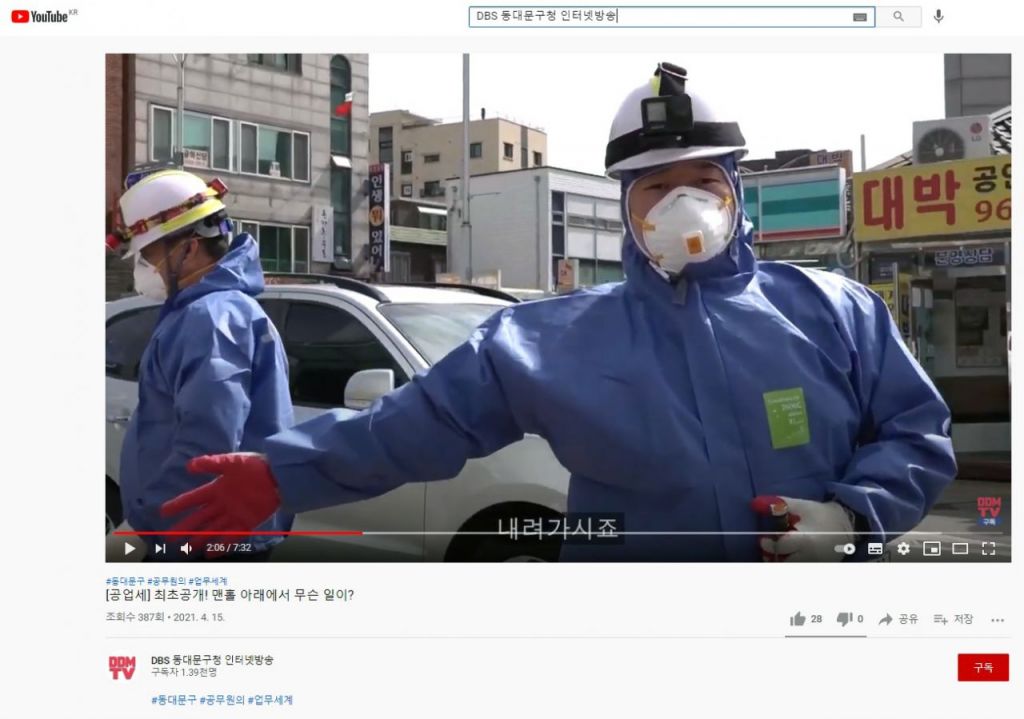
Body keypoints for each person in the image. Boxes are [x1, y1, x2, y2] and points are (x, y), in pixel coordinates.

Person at [161, 63, 956, 562]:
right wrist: (283, 471)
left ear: (734, 191)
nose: (681, 202)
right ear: (627, 205)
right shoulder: (546, 341)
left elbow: (918, 434)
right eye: (656, 185)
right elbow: (416, 423)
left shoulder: (834, 309)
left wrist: (853, 519)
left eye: (702, 180)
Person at [108, 169, 294, 561]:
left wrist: (149, 530)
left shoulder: (209, 319)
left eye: (148, 255)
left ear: (189, 249)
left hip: (198, 536)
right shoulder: (219, 311)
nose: (143, 268)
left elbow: (206, 448)